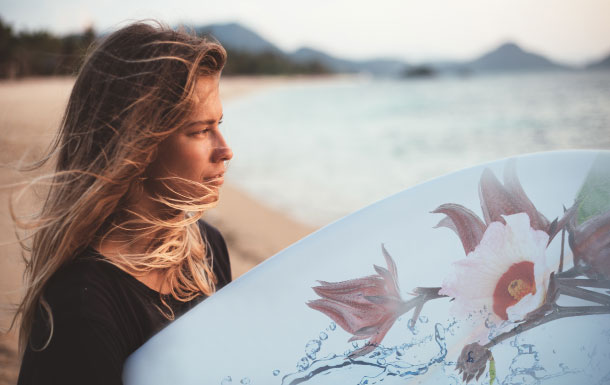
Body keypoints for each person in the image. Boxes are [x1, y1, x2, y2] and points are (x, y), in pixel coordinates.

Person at [13, 21, 234, 384]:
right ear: (137, 146)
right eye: (200, 131)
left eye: (219, 125)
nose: (225, 150)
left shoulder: (208, 248)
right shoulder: (82, 308)